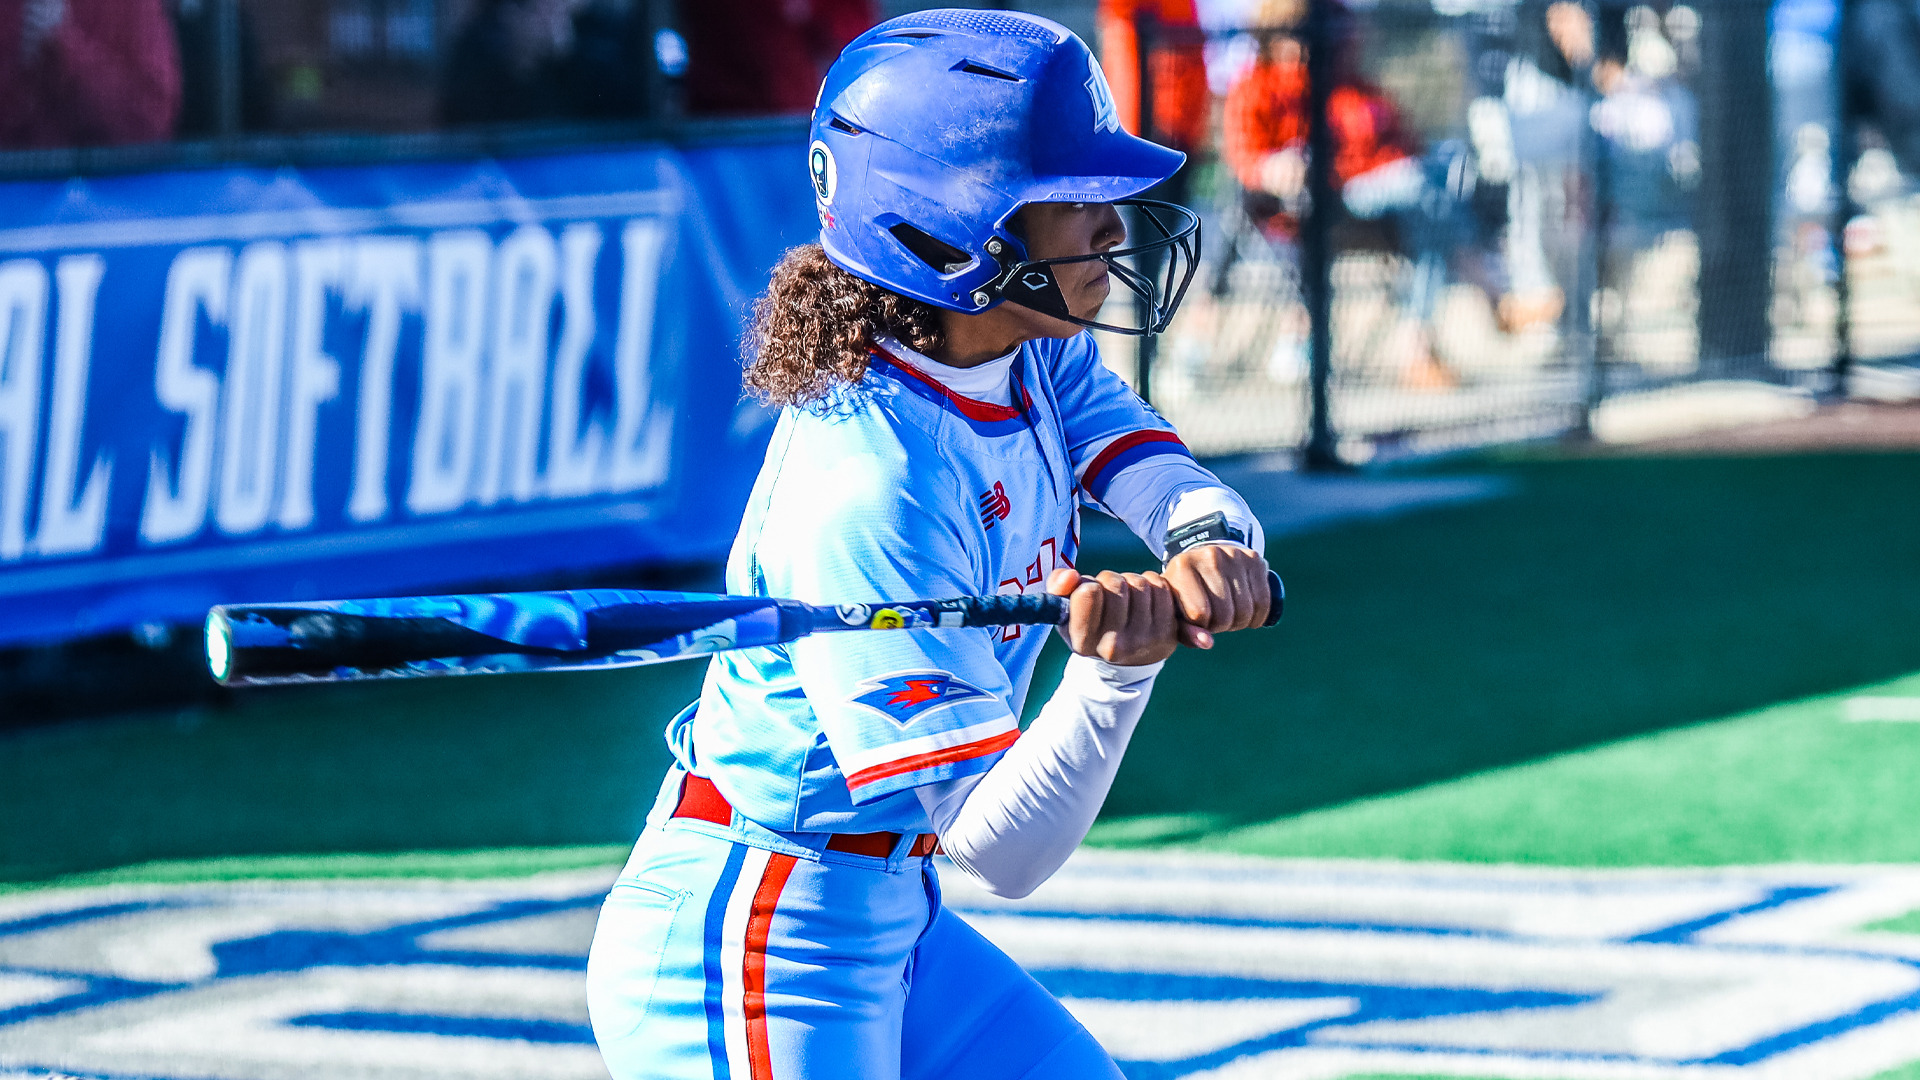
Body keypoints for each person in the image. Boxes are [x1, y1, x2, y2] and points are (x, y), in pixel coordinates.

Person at [584, 9, 1273, 1079]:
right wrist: (1112, 676)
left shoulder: (1022, 352)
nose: (1111, 218)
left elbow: (1148, 459)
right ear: (954, 227)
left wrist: (1207, 539)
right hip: (761, 939)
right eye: (1072, 195)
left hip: (892, 921)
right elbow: (1002, 846)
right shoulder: (872, 484)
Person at [0, 0, 180, 148]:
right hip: (14, 183)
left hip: (110, 182)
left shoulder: (132, 6)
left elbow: (150, 123)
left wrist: (66, 50)